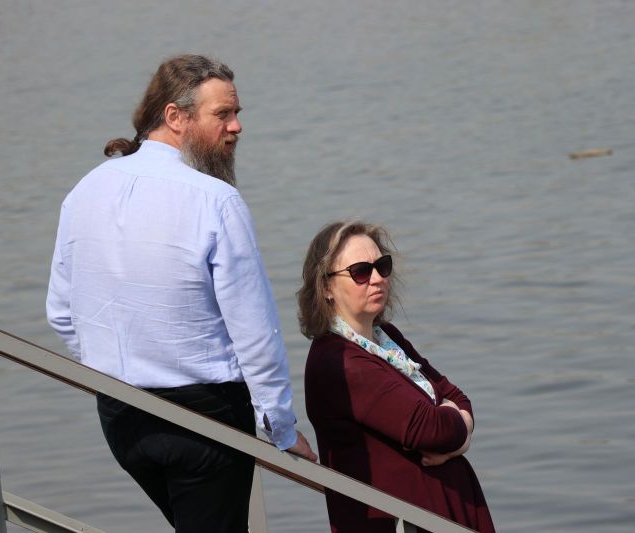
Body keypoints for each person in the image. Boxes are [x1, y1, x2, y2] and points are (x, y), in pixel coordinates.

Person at [46, 54, 316, 533]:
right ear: (175, 116)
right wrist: (280, 426)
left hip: (121, 417)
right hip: (205, 421)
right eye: (222, 114)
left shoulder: (86, 189)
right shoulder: (216, 200)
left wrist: (111, 371)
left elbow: (62, 313)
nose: (236, 126)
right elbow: (254, 332)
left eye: (237, 113)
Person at [298, 220, 495, 533]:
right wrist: (458, 429)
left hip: (441, 513)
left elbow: (457, 398)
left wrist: (459, 433)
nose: (377, 279)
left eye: (382, 266)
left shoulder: (386, 337)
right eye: (361, 272)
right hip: (400, 524)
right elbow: (432, 430)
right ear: (326, 287)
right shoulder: (339, 362)